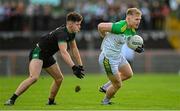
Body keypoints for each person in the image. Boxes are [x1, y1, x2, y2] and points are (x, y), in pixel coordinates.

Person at [4, 12, 85, 105]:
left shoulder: (71, 32)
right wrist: (74, 67)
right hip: (38, 52)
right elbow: (64, 52)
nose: (79, 27)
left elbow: (74, 49)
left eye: (80, 24)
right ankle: (11, 99)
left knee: (59, 78)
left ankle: (51, 101)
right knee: (34, 77)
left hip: (47, 55)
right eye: (77, 24)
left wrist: (80, 65)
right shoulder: (62, 33)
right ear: (70, 24)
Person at [98, 8, 144, 105]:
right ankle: (105, 101)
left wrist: (136, 48)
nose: (138, 21)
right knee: (118, 84)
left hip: (118, 56)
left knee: (128, 74)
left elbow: (128, 41)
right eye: (136, 19)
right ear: (128, 18)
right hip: (108, 58)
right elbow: (100, 26)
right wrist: (104, 36)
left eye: (139, 19)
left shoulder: (132, 30)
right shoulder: (119, 26)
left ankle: (106, 87)